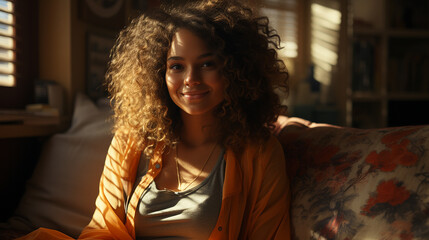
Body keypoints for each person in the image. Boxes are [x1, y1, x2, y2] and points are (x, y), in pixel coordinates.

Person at [19, 0, 290, 239]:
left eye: (207, 63)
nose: (191, 80)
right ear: (159, 73)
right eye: (176, 66)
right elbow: (102, 229)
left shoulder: (261, 154)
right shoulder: (130, 141)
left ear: (235, 70)